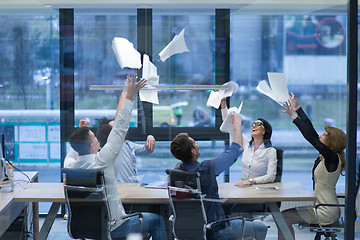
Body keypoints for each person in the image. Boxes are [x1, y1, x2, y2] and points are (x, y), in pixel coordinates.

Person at [67, 75, 167, 240]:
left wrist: (80, 133)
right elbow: (120, 127)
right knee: (157, 220)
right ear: (93, 146)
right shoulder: (102, 161)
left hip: (83, 228)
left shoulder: (70, 166)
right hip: (115, 226)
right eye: (94, 138)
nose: (98, 139)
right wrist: (130, 95)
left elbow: (75, 148)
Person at [170, 114, 268, 240]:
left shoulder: (176, 172)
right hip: (215, 231)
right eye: (194, 143)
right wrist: (237, 124)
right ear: (193, 151)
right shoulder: (205, 168)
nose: (197, 144)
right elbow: (234, 150)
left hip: (186, 232)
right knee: (261, 228)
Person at [279, 92, 346, 240]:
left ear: (331, 142)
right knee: (283, 216)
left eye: (324, 135)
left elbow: (311, 138)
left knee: (283, 217)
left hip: (325, 210)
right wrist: (298, 108)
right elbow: (312, 133)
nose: (320, 136)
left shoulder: (332, 158)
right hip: (322, 207)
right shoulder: (329, 156)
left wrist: (294, 117)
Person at [220, 98, 277, 186]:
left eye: (258, 124)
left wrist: (250, 181)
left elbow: (271, 176)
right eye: (253, 124)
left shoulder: (270, 151)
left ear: (265, 131)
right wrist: (223, 103)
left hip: (260, 188)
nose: (254, 125)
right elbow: (228, 125)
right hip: (244, 187)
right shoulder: (246, 143)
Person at [96, 117, 155, 183]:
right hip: (120, 187)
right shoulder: (112, 147)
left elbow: (148, 150)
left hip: (132, 186)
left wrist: (150, 137)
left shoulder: (129, 144)